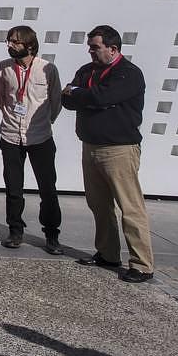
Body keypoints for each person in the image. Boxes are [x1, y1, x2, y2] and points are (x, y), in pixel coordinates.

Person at [62, 25, 154, 283]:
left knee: (130, 207)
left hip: (119, 150)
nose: (90, 51)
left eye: (95, 47)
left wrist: (83, 95)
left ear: (113, 49)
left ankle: (142, 264)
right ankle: (108, 253)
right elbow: (68, 100)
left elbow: (103, 97)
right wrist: (84, 95)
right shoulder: (87, 71)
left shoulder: (128, 74)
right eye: (90, 47)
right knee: (99, 205)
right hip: (91, 146)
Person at [0, 25, 64, 253]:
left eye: (15, 41)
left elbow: (56, 102)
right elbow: (1, 100)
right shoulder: (3, 68)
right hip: (11, 135)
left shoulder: (47, 69)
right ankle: (15, 231)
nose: (10, 45)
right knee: (13, 188)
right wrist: (13, 119)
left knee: (48, 188)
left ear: (29, 45)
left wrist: (44, 123)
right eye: (8, 41)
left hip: (40, 137)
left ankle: (52, 234)